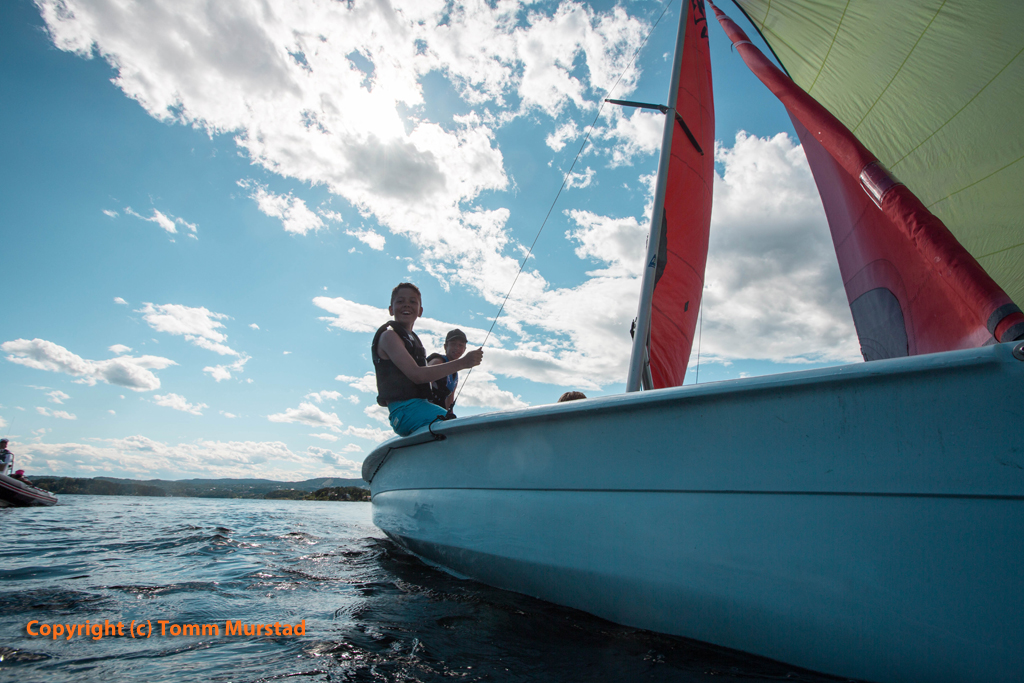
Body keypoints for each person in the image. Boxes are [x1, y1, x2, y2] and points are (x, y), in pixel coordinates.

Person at [372, 283, 483, 436]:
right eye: (400, 301)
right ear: (391, 309)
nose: (407, 305)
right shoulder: (389, 336)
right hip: (404, 412)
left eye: (412, 301)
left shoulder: (413, 340)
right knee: (458, 428)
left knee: (453, 421)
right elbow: (417, 375)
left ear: (420, 311)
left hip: (420, 407)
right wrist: (463, 362)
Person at [427, 328, 468, 415]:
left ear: (464, 349)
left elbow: (449, 401)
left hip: (437, 414)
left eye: (460, 345)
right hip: (424, 410)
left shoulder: (455, 375)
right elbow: (423, 384)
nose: (457, 348)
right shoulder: (438, 362)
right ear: (445, 347)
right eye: (453, 344)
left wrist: (450, 416)